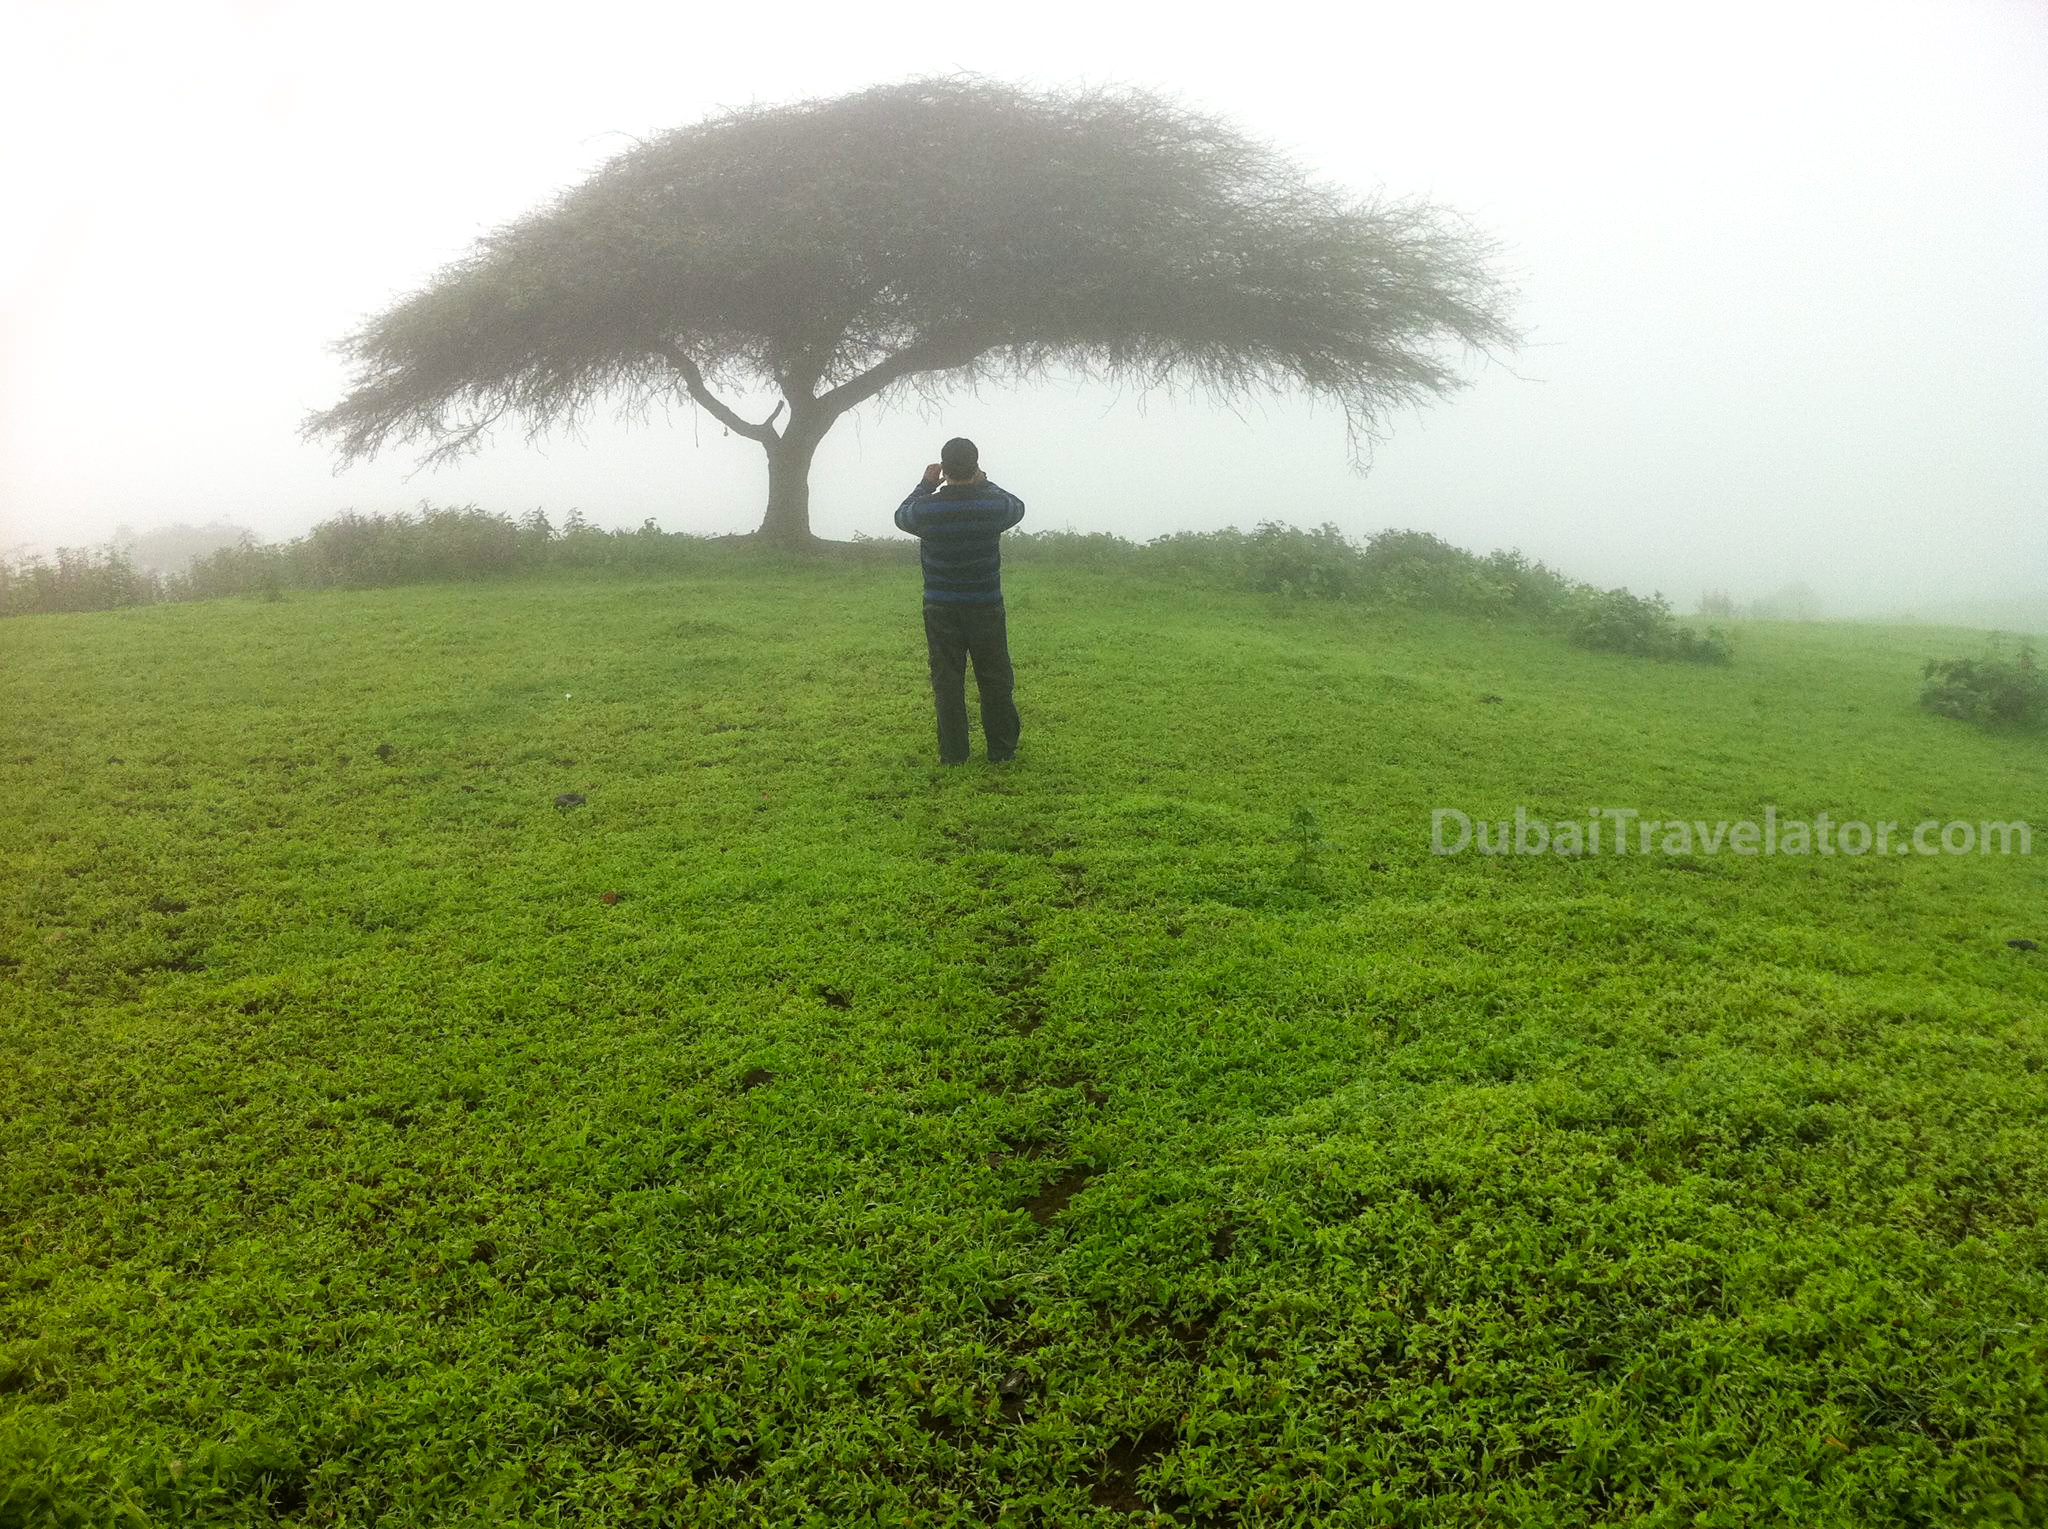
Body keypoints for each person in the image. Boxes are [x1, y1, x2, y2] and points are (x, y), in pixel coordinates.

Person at [894, 437, 1026, 765]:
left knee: (947, 680)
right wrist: (986, 483)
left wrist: (925, 486)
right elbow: (1016, 505)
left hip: (940, 607)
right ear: (976, 466)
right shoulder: (992, 506)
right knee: (995, 677)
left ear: (944, 468)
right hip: (985, 604)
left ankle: (954, 753)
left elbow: (901, 515)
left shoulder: (926, 509)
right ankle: (1001, 750)